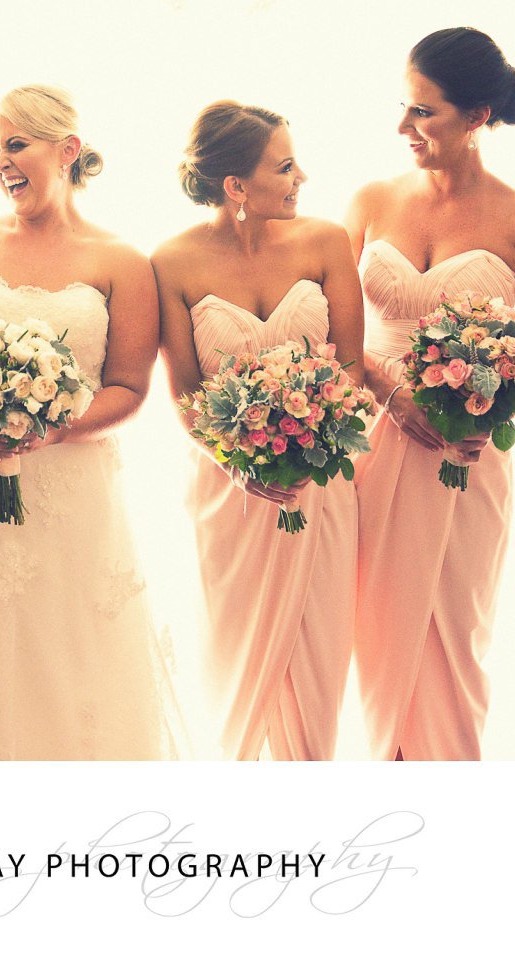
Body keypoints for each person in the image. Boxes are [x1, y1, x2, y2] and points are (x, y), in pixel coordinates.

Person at [0, 84, 176, 759]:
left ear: (67, 150)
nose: (1, 161)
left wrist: (51, 428)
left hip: (72, 486)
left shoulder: (123, 262)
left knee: (64, 645)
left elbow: (128, 386)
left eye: (16, 145)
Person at [345, 27, 515, 760]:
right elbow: (338, 334)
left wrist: (485, 406)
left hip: (466, 451)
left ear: (476, 119)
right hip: (370, 444)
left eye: (423, 113)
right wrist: (392, 397)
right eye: (404, 108)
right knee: (373, 623)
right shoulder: (370, 202)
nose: (403, 128)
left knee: (452, 623)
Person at [152, 101, 362, 760]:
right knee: (235, 654)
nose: (300, 177)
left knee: (319, 649)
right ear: (235, 187)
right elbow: (185, 391)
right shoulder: (172, 262)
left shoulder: (326, 241)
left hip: (321, 483)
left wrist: (318, 440)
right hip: (229, 491)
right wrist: (237, 461)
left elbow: (351, 363)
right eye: (285, 166)